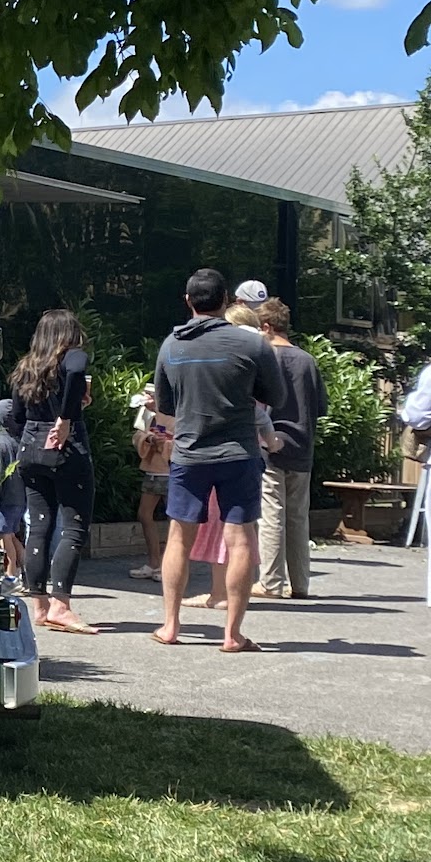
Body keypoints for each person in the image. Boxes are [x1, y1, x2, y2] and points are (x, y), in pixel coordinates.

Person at [153, 268, 288, 652]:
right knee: (240, 539)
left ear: (187, 301)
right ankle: (232, 634)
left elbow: (165, 405)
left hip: (189, 453)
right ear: (226, 300)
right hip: (239, 453)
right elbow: (276, 396)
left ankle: (170, 625)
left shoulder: (171, 345)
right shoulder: (252, 344)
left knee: (178, 537)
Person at [8, 310, 97, 634]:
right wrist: (66, 416)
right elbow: (76, 368)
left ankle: (40, 606)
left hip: (31, 446)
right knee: (74, 526)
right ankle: (61, 605)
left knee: (39, 526)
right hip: (66, 447)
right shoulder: (72, 356)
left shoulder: (26, 367)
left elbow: (16, 415)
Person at [255, 297, 326, 599]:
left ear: (267, 327)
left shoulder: (266, 358)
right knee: (298, 517)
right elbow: (320, 407)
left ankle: (270, 582)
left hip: (270, 443)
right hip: (303, 445)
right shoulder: (307, 360)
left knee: (272, 514)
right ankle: (300, 583)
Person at [128, 381, 172, 580]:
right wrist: (148, 439)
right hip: (152, 468)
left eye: (150, 396)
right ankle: (153, 562)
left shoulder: (174, 412)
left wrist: (166, 443)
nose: (147, 400)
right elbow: (137, 435)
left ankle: (167, 565)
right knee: (144, 514)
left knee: (174, 520)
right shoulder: (145, 413)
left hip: (171, 471)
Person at [0, 399, 25, 581]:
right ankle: (28, 570)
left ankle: (10, 573)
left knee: (4, 537)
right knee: (12, 535)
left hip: (5, 499)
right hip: (19, 498)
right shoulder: (17, 441)